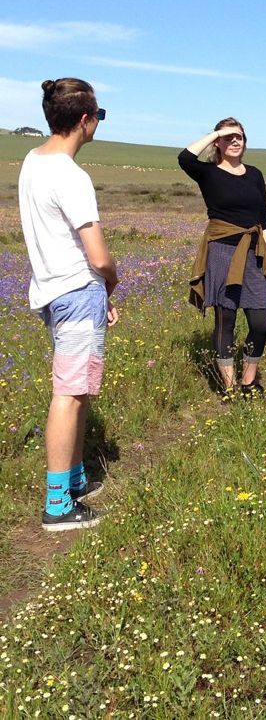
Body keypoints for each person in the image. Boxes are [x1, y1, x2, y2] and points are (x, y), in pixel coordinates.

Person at [18, 78, 119, 531]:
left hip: (52, 290)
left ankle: (74, 477)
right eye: (99, 115)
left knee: (75, 390)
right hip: (77, 290)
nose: (98, 122)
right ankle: (58, 504)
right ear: (85, 120)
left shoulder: (32, 161)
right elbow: (98, 255)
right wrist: (112, 281)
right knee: (70, 394)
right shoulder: (72, 176)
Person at [180, 118, 266, 398]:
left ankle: (249, 381)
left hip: (254, 253)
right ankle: (229, 387)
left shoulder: (255, 174)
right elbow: (184, 158)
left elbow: (264, 219)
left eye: (240, 137)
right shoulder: (208, 173)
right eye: (229, 137)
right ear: (218, 143)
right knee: (225, 320)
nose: (235, 141)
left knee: (261, 322)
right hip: (222, 252)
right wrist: (217, 132)